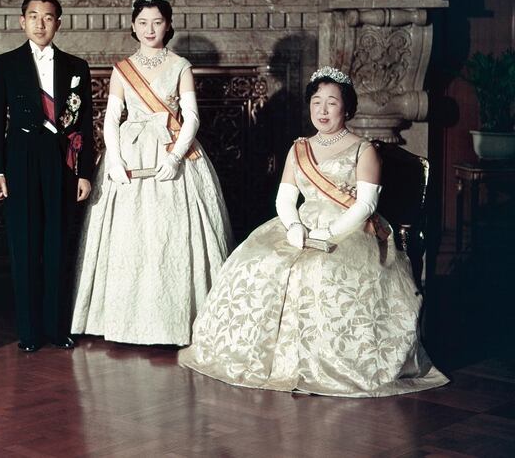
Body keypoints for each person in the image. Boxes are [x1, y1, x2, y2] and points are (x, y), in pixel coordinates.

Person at [178, 66, 449, 397]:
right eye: (316, 102)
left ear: (347, 108)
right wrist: (293, 225)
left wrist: (329, 234)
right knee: (255, 263)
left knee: (320, 270)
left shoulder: (364, 150)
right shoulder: (299, 148)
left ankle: (316, 364)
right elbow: (286, 197)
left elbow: (365, 206)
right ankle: (257, 358)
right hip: (301, 223)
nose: (322, 110)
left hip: (350, 229)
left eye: (331, 103)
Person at [70, 0, 232, 346]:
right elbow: (111, 119)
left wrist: (175, 157)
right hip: (130, 152)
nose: (149, 28)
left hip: (170, 150)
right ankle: (122, 323)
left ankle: (175, 323)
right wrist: (113, 158)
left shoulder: (180, 66)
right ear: (132, 25)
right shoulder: (122, 69)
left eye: (157, 22)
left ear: (168, 25)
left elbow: (191, 118)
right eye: (142, 22)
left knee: (169, 237)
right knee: (129, 238)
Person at [0, 0, 95, 352]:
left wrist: (84, 172)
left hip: (61, 162)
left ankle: (55, 327)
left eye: (48, 17)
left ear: (58, 24)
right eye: (33, 16)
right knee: (25, 244)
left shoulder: (76, 67)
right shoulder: (5, 63)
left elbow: (86, 125)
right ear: (22, 21)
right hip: (20, 160)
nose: (40, 23)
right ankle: (29, 331)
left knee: (57, 243)